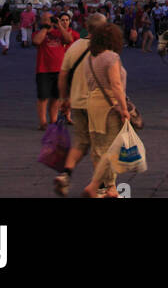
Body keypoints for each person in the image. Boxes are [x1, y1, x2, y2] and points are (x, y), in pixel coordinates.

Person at [54, 13, 107, 197]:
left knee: (81, 142)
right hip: (98, 104)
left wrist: (63, 99)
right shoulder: (105, 49)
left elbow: (62, 76)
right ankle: (98, 187)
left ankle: (65, 174)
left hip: (77, 102)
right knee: (99, 146)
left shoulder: (74, 46)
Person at [82, 23, 130, 199]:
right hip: (109, 104)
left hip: (92, 102)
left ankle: (109, 187)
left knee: (98, 147)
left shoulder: (90, 59)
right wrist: (124, 109)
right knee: (111, 147)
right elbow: (116, 85)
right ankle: (96, 185)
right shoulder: (111, 57)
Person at [32, 9, 76, 129]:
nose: (47, 21)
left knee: (56, 98)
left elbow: (69, 40)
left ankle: (54, 120)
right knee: (43, 97)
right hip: (43, 70)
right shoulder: (38, 32)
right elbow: (36, 41)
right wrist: (46, 28)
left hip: (59, 70)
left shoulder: (58, 33)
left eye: (49, 19)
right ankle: (43, 122)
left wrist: (59, 26)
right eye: (45, 19)